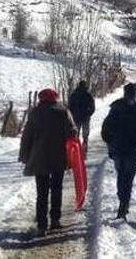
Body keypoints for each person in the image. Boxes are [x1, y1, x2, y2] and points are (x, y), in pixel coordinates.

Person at [19, 88, 76, 237]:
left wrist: (24, 156)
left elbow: (27, 136)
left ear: (41, 99)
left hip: (40, 158)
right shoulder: (63, 112)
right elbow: (72, 132)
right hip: (59, 157)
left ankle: (41, 226)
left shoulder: (35, 113)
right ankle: (55, 220)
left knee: (42, 193)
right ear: (55, 98)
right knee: (57, 189)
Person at [101, 82, 136, 220]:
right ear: (135, 94)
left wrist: (109, 141)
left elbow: (105, 128)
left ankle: (123, 202)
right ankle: (124, 203)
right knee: (128, 178)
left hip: (118, 148)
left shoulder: (116, 107)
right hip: (133, 150)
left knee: (121, 175)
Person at [67, 80, 95, 151]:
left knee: (76, 134)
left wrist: (72, 115)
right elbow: (92, 107)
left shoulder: (73, 95)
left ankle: (77, 149)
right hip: (85, 118)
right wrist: (89, 114)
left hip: (76, 117)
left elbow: (69, 106)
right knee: (85, 135)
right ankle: (84, 147)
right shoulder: (88, 95)